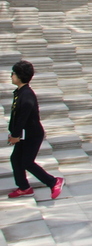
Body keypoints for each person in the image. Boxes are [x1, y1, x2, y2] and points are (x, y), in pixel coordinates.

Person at [7, 60, 63, 199]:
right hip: (24, 134)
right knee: (15, 159)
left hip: (32, 134)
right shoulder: (20, 92)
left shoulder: (26, 95)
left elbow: (23, 118)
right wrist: (13, 132)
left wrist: (15, 135)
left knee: (27, 161)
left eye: (13, 73)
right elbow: (16, 115)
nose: (11, 76)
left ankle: (53, 181)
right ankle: (24, 187)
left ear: (19, 76)